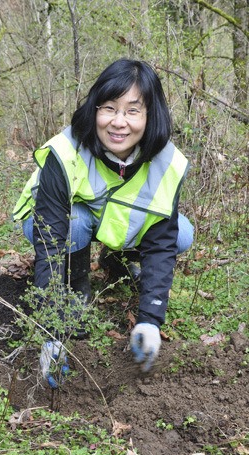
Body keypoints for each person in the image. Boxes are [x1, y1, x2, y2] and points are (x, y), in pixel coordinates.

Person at [13, 58, 193, 388]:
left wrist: (150, 319)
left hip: (113, 224)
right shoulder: (66, 151)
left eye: (132, 111)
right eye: (109, 108)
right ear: (94, 109)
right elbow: (51, 237)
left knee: (182, 233)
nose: (119, 122)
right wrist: (51, 332)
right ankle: (77, 288)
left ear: (151, 115)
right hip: (58, 225)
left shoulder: (166, 162)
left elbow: (162, 240)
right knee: (75, 224)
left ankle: (119, 263)